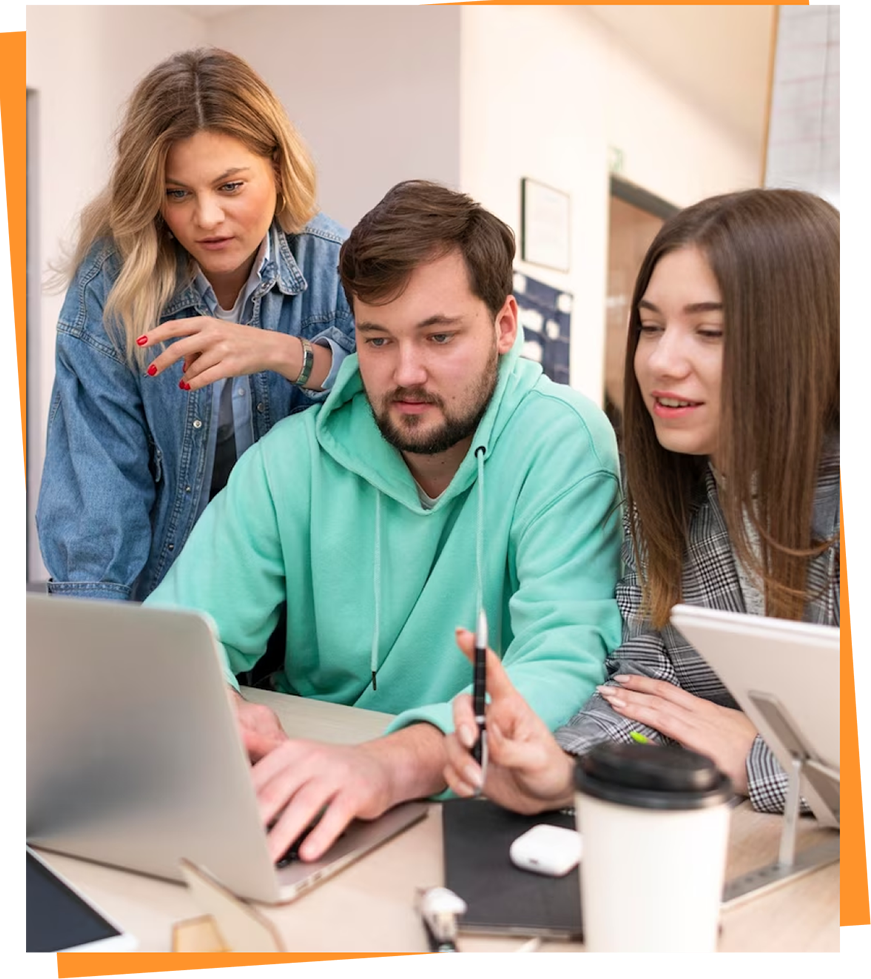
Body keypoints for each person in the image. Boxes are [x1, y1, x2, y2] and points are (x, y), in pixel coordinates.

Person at [145, 180, 624, 861]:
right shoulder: (293, 459)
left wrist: (389, 764)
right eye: (377, 340)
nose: (405, 373)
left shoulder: (564, 442)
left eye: (438, 336)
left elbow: (563, 663)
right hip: (310, 786)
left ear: (505, 326)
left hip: (484, 805)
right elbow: (180, 636)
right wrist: (214, 705)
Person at [443, 188, 839, 816]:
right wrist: (570, 767)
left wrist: (758, 758)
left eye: (709, 331)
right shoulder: (662, 490)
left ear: (806, 341)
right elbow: (646, 694)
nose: (660, 360)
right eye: (650, 327)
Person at [37, 48, 354, 602]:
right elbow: (98, 489)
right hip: (172, 599)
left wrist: (287, 353)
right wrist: (97, 646)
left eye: (231, 186)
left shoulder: (336, 268)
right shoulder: (111, 285)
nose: (206, 218)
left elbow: (395, 405)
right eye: (177, 193)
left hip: (317, 609)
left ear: (278, 167)